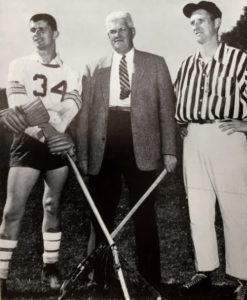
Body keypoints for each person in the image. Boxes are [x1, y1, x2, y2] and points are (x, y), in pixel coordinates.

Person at [76, 11, 177, 291]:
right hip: (104, 146)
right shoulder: (94, 67)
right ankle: (100, 279)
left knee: (144, 213)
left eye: (121, 30)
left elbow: (166, 111)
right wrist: (84, 154)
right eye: (111, 32)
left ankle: (149, 279)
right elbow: (84, 116)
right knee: (101, 215)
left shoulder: (155, 64)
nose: (116, 35)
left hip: (141, 146)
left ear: (132, 31)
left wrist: (169, 150)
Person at [175, 1, 247, 299]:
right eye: (192, 23)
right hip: (194, 139)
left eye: (201, 20)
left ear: (217, 22)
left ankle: (245, 276)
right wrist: (185, 125)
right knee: (198, 208)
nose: (195, 26)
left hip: (226, 135)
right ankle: (204, 270)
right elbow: (180, 103)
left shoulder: (241, 59)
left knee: (234, 208)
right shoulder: (186, 64)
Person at [0, 13, 81, 297]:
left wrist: (53, 130)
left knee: (52, 206)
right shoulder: (19, 65)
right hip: (29, 144)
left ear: (55, 33)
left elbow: (70, 109)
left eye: (43, 29)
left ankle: (51, 267)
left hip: (56, 144)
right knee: (12, 210)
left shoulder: (72, 73)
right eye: (32, 30)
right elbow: (19, 108)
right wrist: (47, 130)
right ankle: (2, 277)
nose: (37, 34)